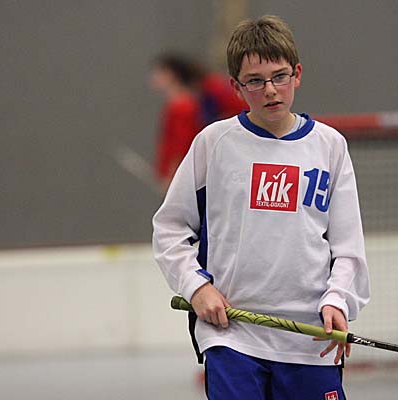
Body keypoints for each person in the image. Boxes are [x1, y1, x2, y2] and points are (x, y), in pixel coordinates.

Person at [153, 15, 370, 400]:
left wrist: (337, 299)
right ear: (236, 87)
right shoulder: (214, 143)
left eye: (279, 76)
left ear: (297, 75)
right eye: (254, 81)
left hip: (310, 339)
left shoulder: (330, 146)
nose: (270, 90)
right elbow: (170, 229)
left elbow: (348, 247)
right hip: (232, 335)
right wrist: (196, 287)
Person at [150, 54, 246, 190]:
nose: (154, 80)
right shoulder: (190, 102)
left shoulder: (185, 105)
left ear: (171, 75)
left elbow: (182, 142)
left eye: (159, 74)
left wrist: (174, 175)